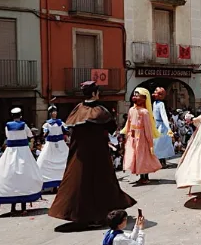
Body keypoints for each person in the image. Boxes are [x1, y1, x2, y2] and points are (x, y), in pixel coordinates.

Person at [48, 81, 136, 227]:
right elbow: (112, 127)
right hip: (98, 153)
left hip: (80, 155)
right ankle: (101, 214)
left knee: (80, 182)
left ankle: (79, 214)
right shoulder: (100, 111)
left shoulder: (77, 109)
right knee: (102, 182)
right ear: (95, 93)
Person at [0, 108, 43, 216]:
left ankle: (13, 208)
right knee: (25, 177)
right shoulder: (24, 125)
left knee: (11, 177)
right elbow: (30, 136)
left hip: (11, 152)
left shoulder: (7, 126)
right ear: (21, 116)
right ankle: (23, 208)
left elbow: (8, 136)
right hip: (23, 152)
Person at [122, 88, 162, 185]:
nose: (135, 97)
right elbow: (128, 123)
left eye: (137, 95)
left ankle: (145, 177)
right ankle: (141, 176)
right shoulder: (131, 110)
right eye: (135, 95)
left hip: (142, 138)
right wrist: (127, 135)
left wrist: (150, 142)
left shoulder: (145, 112)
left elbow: (148, 128)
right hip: (132, 137)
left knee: (143, 157)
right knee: (134, 156)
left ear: (144, 98)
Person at [37, 105, 68, 190]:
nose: (54, 113)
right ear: (50, 113)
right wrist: (45, 133)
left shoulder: (61, 123)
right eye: (53, 112)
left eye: (55, 111)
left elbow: (66, 131)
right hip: (50, 145)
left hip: (60, 144)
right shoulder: (47, 124)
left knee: (67, 160)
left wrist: (66, 129)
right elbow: (44, 134)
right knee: (43, 161)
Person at [151, 87, 175, 166]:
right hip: (156, 125)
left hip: (162, 126)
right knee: (156, 144)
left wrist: (168, 128)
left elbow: (164, 116)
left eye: (156, 91)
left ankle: (163, 162)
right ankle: (158, 161)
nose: (154, 92)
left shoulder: (161, 104)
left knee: (161, 144)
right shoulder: (154, 103)